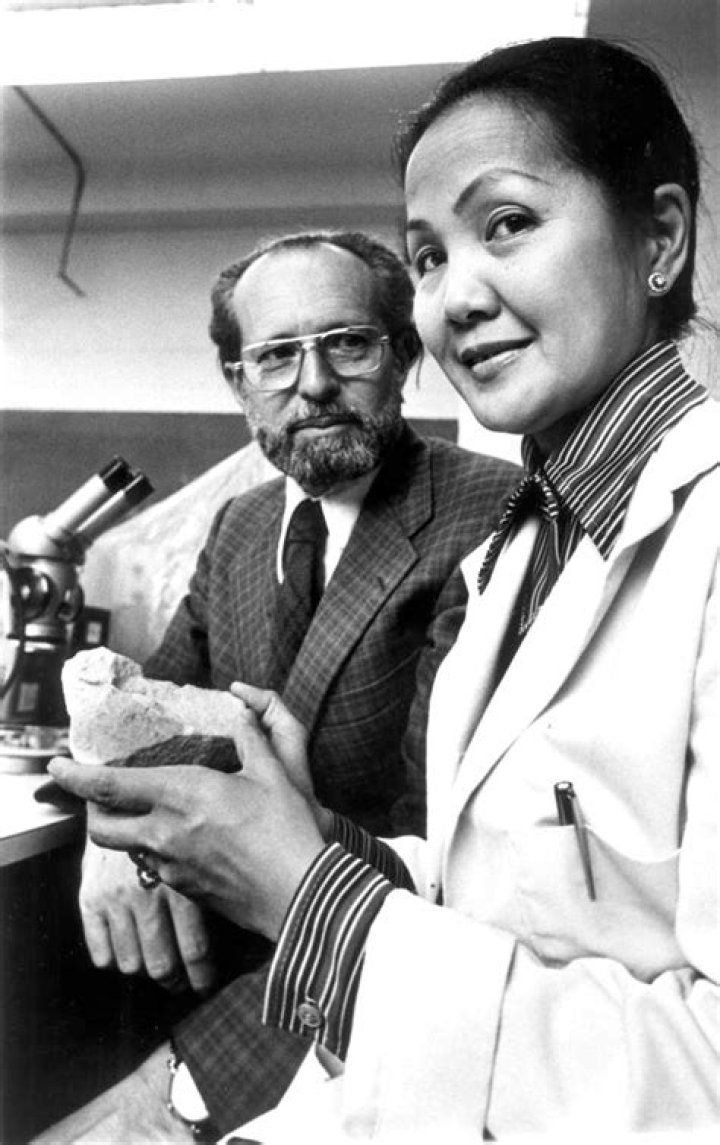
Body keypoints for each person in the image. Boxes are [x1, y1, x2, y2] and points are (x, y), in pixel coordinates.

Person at [47, 36, 719, 1139]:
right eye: (432, 255)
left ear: (660, 237)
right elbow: (476, 884)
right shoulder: (530, 545)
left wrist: (301, 882)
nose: (460, 297)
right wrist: (291, 828)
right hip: (377, 1047)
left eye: (508, 222)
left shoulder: (521, 522)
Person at [40, 229, 518, 1141]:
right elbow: (142, 716)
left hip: (366, 999)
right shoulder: (242, 523)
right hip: (200, 960)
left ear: (404, 356)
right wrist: (114, 840)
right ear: (238, 382)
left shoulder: (491, 515)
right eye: (275, 356)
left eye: (348, 344)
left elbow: (446, 865)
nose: (313, 384)